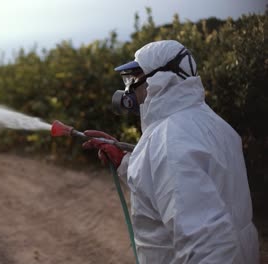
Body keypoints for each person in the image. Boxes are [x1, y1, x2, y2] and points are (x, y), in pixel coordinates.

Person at [82, 40, 259, 263]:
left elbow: (209, 247)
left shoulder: (169, 140)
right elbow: (166, 183)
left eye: (135, 79)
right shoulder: (213, 124)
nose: (130, 89)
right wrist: (126, 163)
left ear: (159, 80)